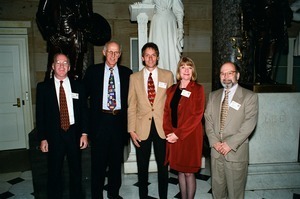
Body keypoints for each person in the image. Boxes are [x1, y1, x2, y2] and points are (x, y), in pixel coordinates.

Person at [83, 41, 132, 199]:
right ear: (104, 53)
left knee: (116, 164)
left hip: (118, 123)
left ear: (120, 55)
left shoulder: (127, 73)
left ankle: (113, 194)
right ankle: (96, 195)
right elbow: (83, 98)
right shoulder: (93, 72)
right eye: (110, 52)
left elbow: (132, 101)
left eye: (116, 52)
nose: (113, 55)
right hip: (99, 123)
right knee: (98, 165)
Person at [36, 53, 89, 199]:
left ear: (69, 67)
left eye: (65, 63)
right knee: (54, 172)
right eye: (58, 63)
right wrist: (43, 138)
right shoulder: (43, 88)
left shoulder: (78, 86)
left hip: (74, 133)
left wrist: (84, 133)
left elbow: (84, 110)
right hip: (54, 135)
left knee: (76, 170)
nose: (61, 66)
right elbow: (40, 115)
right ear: (52, 66)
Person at [204, 62, 258, 199]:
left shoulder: (249, 96)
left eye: (230, 73)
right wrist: (214, 141)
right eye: (222, 73)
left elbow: (249, 124)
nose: (226, 76)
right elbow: (208, 120)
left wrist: (229, 144)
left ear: (237, 75)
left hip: (236, 152)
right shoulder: (213, 96)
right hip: (216, 152)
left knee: (235, 193)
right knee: (218, 191)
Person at [128, 42, 174, 199]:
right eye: (147, 55)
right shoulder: (134, 78)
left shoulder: (167, 76)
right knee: (142, 167)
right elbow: (131, 106)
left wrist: (172, 128)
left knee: (163, 167)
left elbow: (171, 105)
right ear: (142, 58)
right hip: (141, 128)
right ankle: (143, 196)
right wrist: (131, 130)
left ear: (157, 57)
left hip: (162, 128)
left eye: (153, 55)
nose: (150, 58)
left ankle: (163, 196)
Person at [163, 56, 205, 199]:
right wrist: (169, 133)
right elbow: (166, 113)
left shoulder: (198, 89)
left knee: (189, 172)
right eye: (183, 67)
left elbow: (197, 115)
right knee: (180, 171)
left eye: (189, 67)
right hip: (174, 137)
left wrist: (178, 134)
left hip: (190, 137)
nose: (186, 70)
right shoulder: (171, 90)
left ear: (192, 71)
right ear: (179, 71)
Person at [36, 0, 111, 80]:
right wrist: (50, 33)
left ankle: (75, 91)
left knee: (76, 72)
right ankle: (51, 91)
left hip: (77, 36)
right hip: (58, 35)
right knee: (52, 70)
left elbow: (88, 15)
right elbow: (41, 14)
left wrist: (87, 28)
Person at [145, 0, 184, 77]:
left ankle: (172, 77)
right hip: (157, 22)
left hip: (170, 22)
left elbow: (179, 11)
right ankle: (157, 76)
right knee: (157, 48)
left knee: (171, 50)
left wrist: (180, 29)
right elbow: (146, 4)